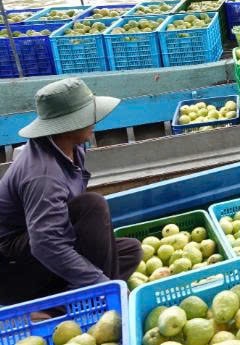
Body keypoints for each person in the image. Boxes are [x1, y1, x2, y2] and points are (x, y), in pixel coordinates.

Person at [0, 78, 142, 305]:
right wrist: (101, 282)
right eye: (87, 116)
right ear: (68, 125)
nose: (94, 121)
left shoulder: (74, 149)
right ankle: (95, 300)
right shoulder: (43, 175)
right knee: (92, 206)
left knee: (131, 250)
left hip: (45, 252)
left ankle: (79, 296)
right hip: (14, 269)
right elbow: (45, 244)